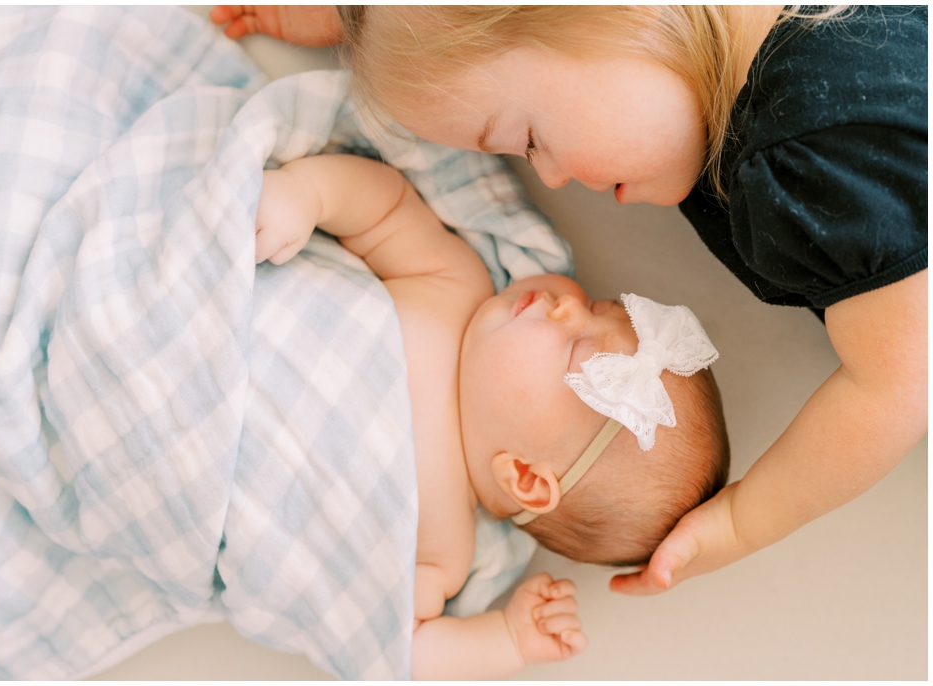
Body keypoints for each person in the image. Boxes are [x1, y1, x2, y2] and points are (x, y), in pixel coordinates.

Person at [213, 5, 928, 597]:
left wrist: (742, 521)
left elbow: (900, 379)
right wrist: (363, 22)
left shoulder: (805, 154)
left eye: (526, 139)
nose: (549, 177)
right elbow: (503, 33)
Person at [255, 153, 729, 678]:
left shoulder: (444, 548)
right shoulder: (453, 287)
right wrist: (309, 192)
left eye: (574, 348)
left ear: (525, 476)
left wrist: (506, 641)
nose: (566, 307)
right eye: (596, 307)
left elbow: (392, 650)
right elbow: (384, 209)